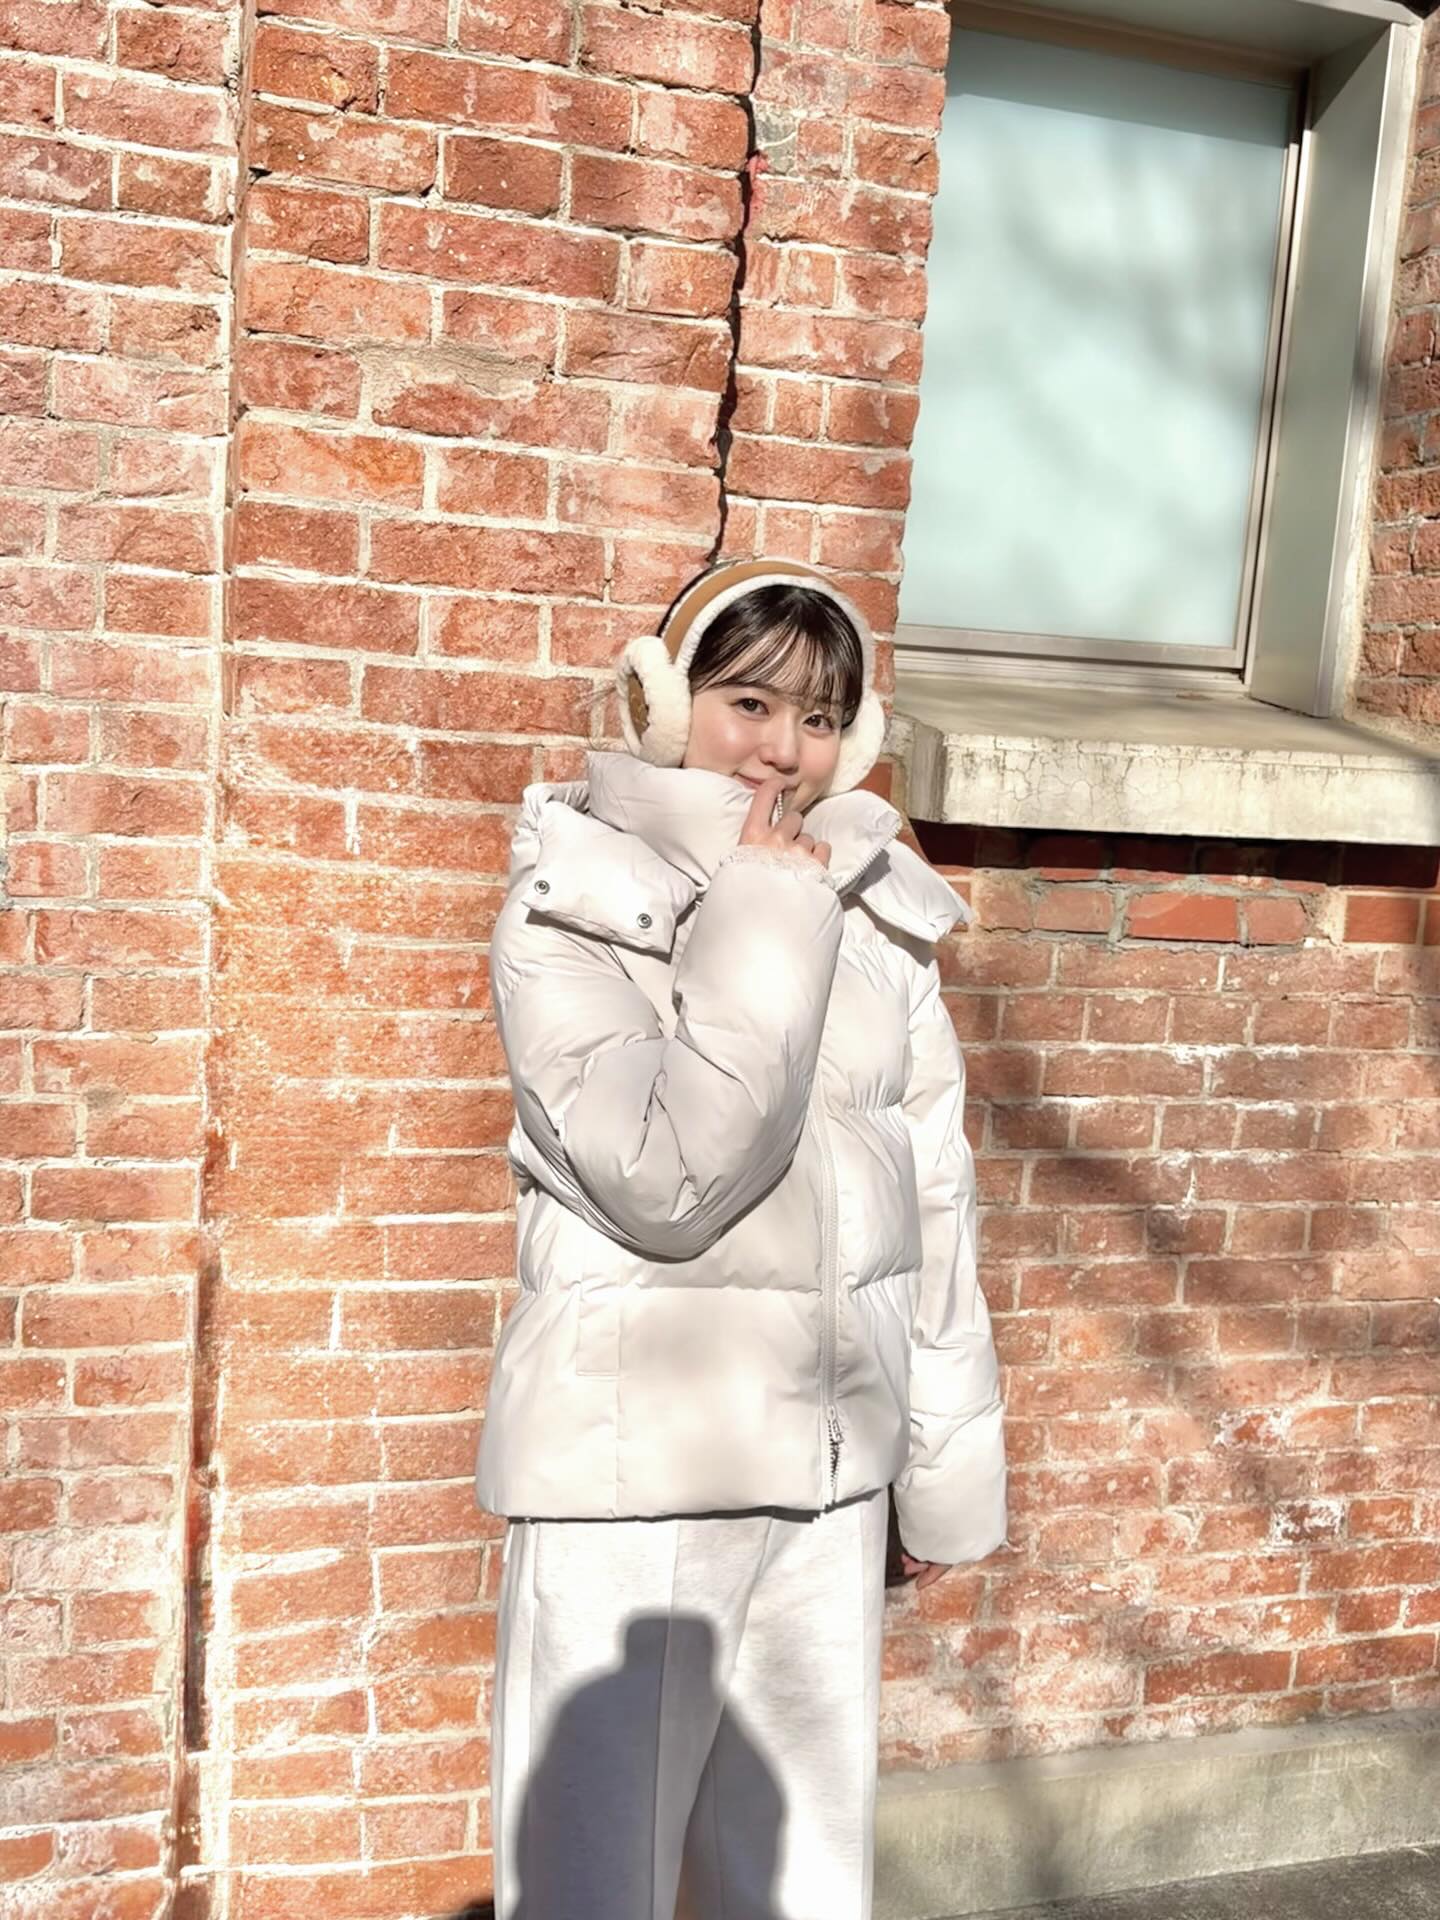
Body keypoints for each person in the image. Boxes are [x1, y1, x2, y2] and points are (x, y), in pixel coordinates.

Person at [477, 556, 1008, 1920]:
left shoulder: (877, 916)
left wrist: (938, 1467)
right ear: (666, 707)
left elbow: (931, 1197)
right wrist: (771, 915)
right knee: (593, 1892)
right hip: (634, 1476)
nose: (783, 749)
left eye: (819, 719)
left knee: (803, 1887)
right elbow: (667, 1178)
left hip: (828, 1478)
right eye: (748, 703)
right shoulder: (572, 905)